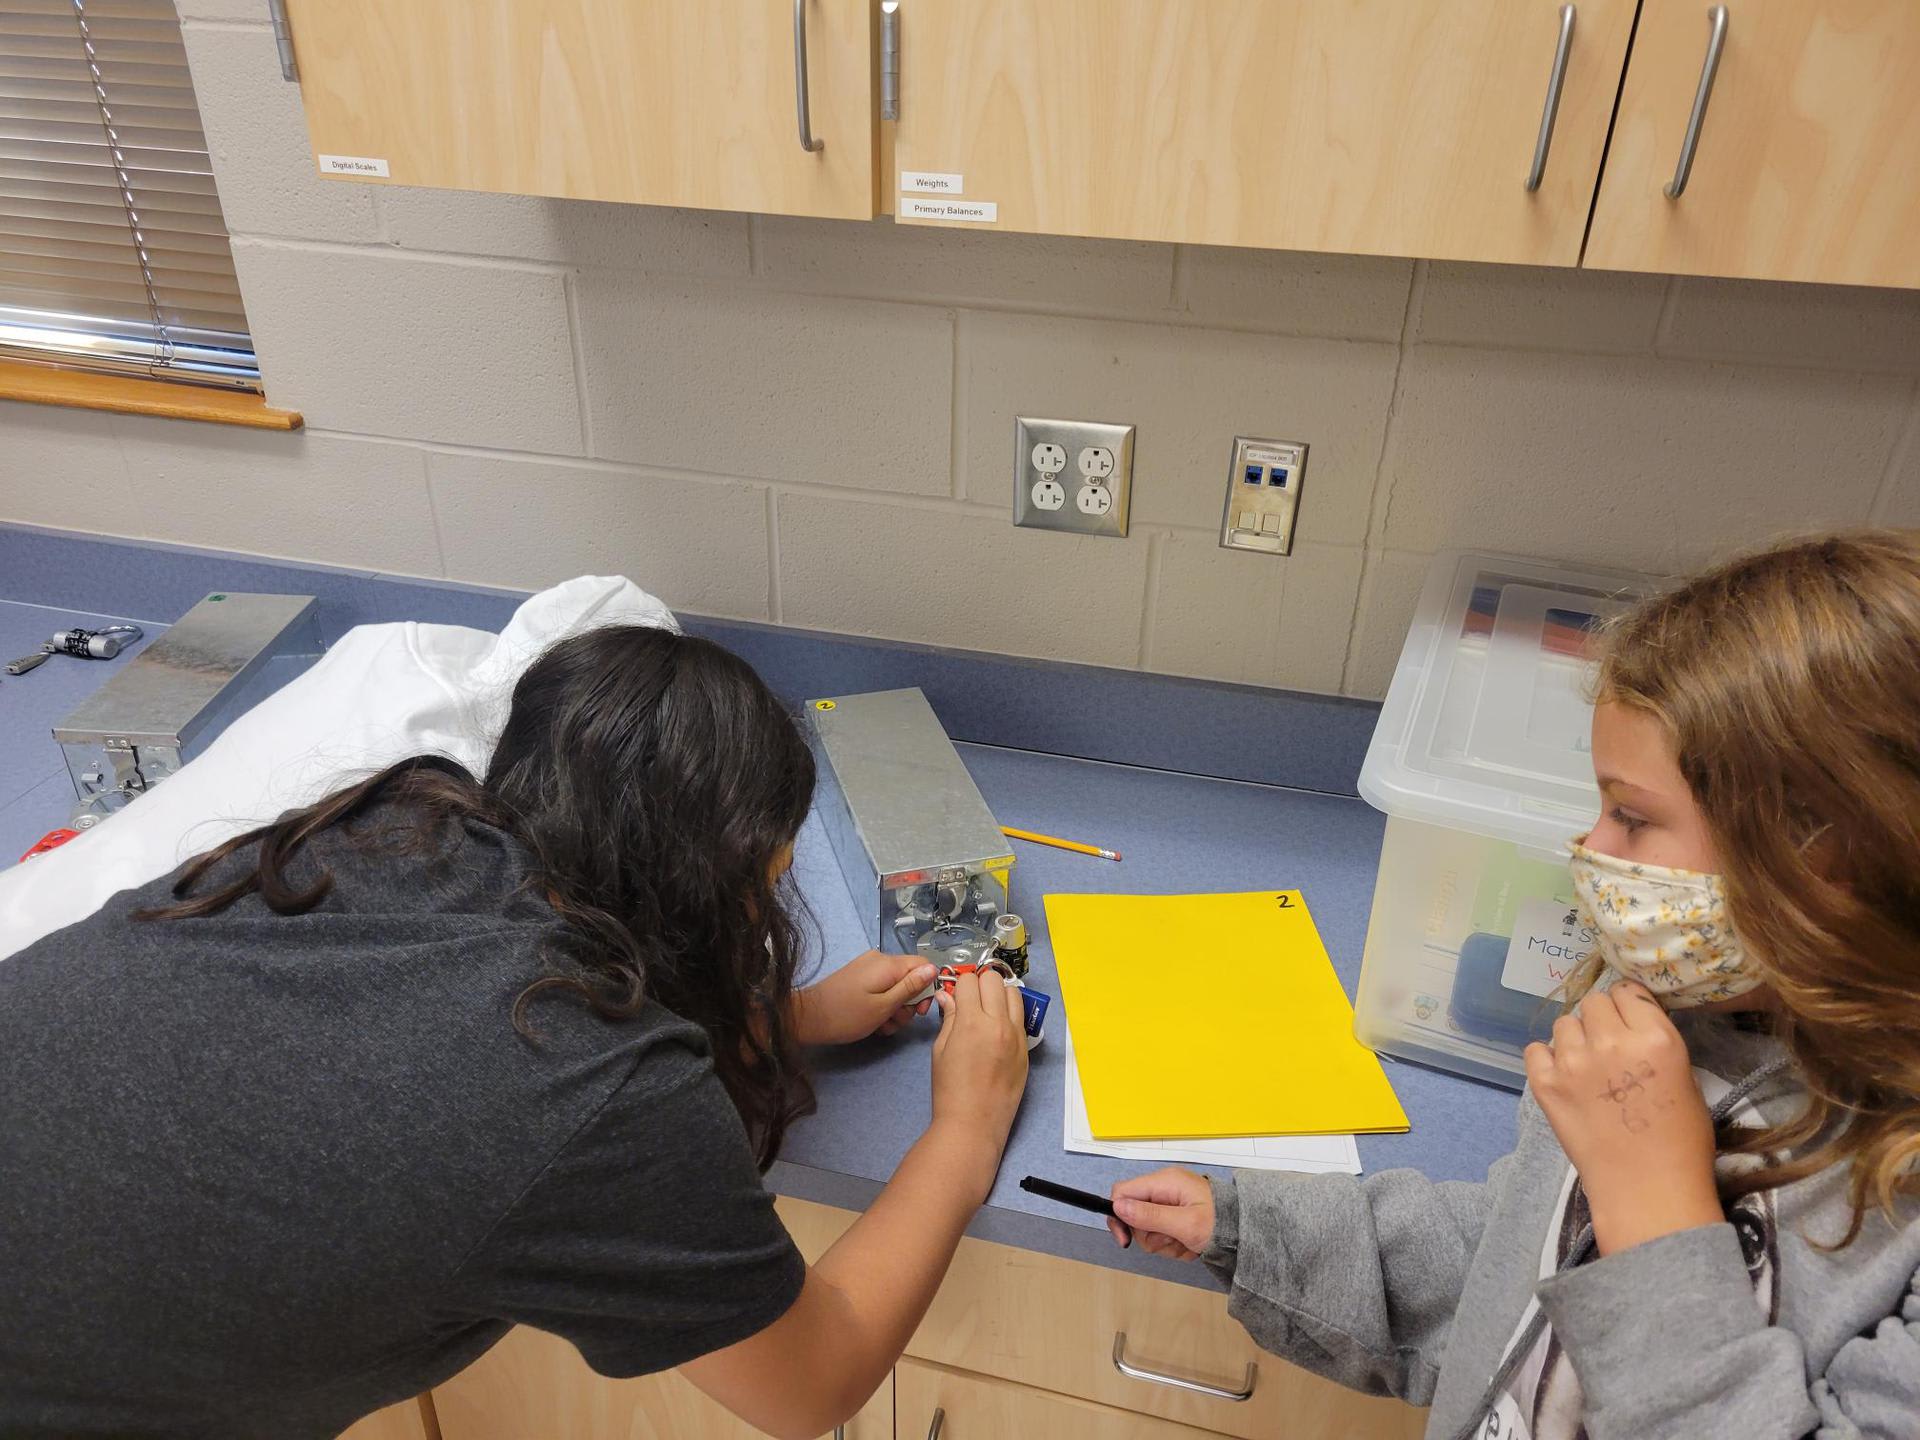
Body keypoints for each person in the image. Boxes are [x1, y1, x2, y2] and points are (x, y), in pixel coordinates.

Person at [0, 625, 1031, 1440]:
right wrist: (965, 1129)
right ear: (711, 887)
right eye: (766, 881)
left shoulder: (389, 825)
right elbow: (811, 1381)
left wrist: (778, 1019)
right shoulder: (600, 1088)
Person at [1107, 531, 1920, 1440]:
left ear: (1834, 851)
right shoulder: (1663, 1028)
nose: (1591, 850)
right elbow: (1512, 1267)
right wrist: (1258, 1230)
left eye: (1631, 816)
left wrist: (1653, 1210)